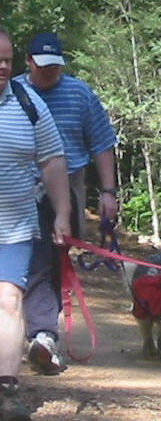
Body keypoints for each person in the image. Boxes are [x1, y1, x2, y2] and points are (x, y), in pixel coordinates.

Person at [16, 32, 118, 375]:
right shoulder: (13, 92)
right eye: (43, 66)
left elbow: (102, 144)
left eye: (55, 66)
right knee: (27, 260)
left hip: (66, 186)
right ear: (28, 62)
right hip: (16, 186)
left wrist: (108, 193)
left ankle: (42, 335)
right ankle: (34, 333)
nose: (49, 72)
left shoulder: (79, 94)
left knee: (50, 260)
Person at [0, 27, 71, 421]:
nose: (3, 67)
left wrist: (61, 213)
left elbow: (52, 160)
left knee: (8, 300)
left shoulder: (29, 105)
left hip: (15, 226)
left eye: (7, 60)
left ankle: (6, 388)